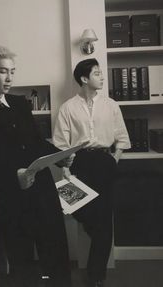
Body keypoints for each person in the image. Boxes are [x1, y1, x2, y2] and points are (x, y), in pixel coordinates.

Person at [0, 46, 73, 287]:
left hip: (43, 193)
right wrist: (14, 178)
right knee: (23, 268)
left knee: (57, 259)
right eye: (3, 71)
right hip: (11, 203)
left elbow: (36, 144)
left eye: (13, 71)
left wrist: (60, 156)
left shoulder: (20, 105)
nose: (10, 78)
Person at [53, 58, 130, 287]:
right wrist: (66, 169)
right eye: (97, 73)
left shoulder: (111, 105)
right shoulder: (67, 107)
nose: (102, 77)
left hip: (105, 163)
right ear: (84, 79)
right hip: (79, 164)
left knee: (104, 221)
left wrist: (113, 159)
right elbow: (60, 144)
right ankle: (96, 273)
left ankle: (96, 277)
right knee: (83, 213)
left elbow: (122, 138)